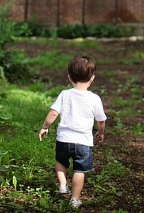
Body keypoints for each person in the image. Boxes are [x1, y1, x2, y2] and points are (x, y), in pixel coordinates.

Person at [39, 55, 107, 209]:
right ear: (92, 78)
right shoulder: (95, 98)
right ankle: (75, 199)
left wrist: (45, 127)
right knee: (80, 170)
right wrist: (101, 132)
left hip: (63, 140)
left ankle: (63, 185)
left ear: (69, 77)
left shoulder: (65, 94)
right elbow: (101, 120)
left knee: (61, 163)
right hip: (83, 142)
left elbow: (53, 114)